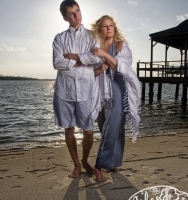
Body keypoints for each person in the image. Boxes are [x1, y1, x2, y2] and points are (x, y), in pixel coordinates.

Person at [52, 0, 101, 178]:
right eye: (71, 13)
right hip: (64, 91)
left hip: (87, 89)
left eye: (78, 11)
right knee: (69, 129)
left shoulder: (92, 36)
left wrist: (73, 57)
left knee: (88, 130)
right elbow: (57, 63)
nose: (76, 15)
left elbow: (98, 59)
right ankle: (76, 165)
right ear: (65, 18)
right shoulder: (59, 38)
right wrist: (83, 59)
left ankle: (86, 160)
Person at [90, 15, 141, 182]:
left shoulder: (121, 46)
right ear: (100, 29)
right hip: (99, 91)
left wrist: (104, 54)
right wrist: (99, 66)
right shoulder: (94, 47)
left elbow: (122, 68)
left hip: (118, 90)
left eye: (111, 25)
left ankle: (99, 165)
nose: (108, 28)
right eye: (104, 26)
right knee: (105, 124)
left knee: (113, 125)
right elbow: (87, 70)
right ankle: (113, 162)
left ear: (114, 27)